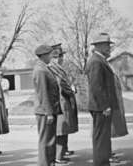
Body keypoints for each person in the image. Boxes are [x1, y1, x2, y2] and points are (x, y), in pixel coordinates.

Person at [85, 33, 119, 166]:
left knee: (104, 139)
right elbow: (96, 86)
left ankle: (103, 162)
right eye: (106, 45)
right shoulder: (96, 61)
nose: (109, 48)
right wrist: (105, 106)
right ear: (98, 46)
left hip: (101, 106)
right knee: (100, 139)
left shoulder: (99, 60)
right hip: (100, 107)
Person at [48, 44, 78, 164]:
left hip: (64, 101)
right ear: (53, 57)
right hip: (60, 103)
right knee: (60, 130)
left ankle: (62, 152)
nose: (61, 58)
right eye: (59, 56)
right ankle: (58, 157)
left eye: (61, 56)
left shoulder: (58, 68)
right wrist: (71, 90)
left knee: (64, 129)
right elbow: (61, 84)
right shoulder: (52, 68)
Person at [33, 45, 61, 166]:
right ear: (44, 55)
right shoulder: (40, 70)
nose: (52, 56)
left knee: (50, 140)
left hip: (48, 110)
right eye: (50, 54)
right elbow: (43, 93)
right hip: (45, 112)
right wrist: (49, 112)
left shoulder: (44, 68)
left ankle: (50, 162)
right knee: (46, 141)